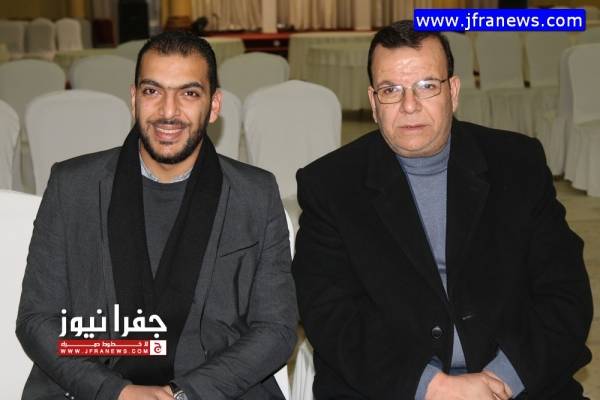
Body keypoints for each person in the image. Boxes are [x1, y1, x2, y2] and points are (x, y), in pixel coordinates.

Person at [292, 20, 592, 400]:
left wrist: (501, 381)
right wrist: (433, 388)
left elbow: (566, 293)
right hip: (391, 388)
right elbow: (329, 314)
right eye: (391, 90)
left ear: (453, 91)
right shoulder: (330, 184)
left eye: (426, 86)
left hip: (516, 384)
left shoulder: (518, 163)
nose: (409, 105)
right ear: (373, 102)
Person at [17, 30, 297, 400]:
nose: (168, 111)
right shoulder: (72, 187)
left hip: (213, 391)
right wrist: (114, 391)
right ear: (134, 99)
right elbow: (37, 320)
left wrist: (185, 393)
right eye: (153, 91)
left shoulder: (254, 195)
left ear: (214, 105)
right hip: (92, 388)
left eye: (189, 93)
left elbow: (276, 329)